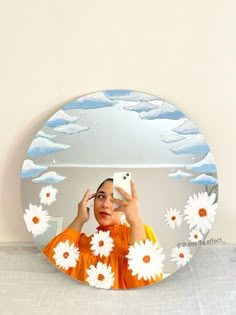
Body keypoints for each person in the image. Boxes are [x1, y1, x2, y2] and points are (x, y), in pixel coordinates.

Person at [42, 178, 164, 289]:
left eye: (114, 199)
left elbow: (148, 287)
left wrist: (136, 221)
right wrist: (79, 219)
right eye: (100, 197)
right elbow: (47, 267)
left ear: (125, 206)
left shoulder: (137, 233)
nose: (105, 205)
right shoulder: (79, 242)